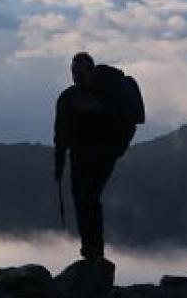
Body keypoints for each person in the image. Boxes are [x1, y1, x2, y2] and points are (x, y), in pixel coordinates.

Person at [52, 52, 138, 260]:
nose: (77, 76)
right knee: (84, 200)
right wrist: (60, 161)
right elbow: (61, 132)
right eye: (74, 72)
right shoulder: (73, 98)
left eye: (80, 71)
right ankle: (91, 247)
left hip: (97, 157)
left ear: (91, 71)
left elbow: (61, 133)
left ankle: (93, 248)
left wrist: (60, 161)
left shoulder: (84, 97)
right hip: (89, 157)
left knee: (87, 199)